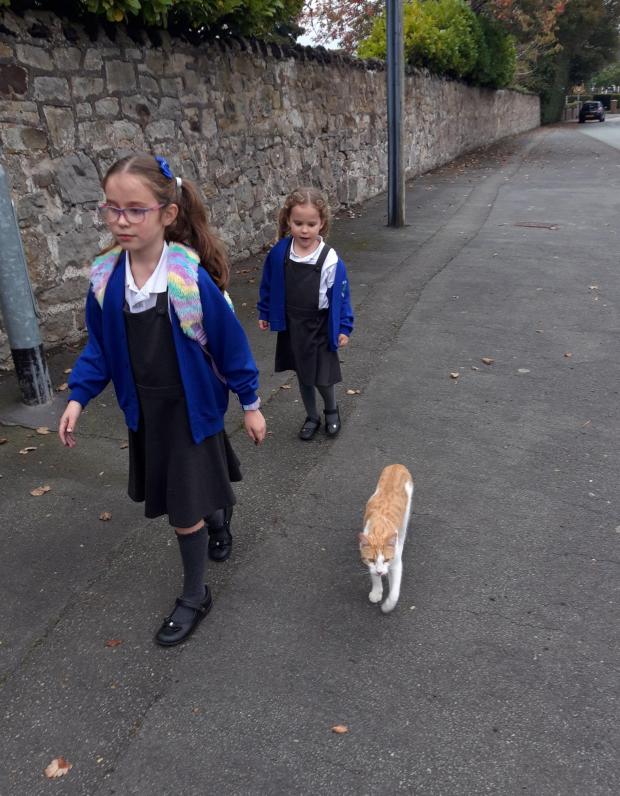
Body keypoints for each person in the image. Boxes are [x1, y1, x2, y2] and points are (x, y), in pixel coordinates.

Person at [58, 154, 266, 647]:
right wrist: (78, 397)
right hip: (146, 412)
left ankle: (195, 595)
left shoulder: (188, 280)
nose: (121, 220)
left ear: (168, 214)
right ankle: (218, 515)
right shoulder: (106, 278)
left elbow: (231, 346)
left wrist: (251, 403)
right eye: (112, 208)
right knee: (190, 489)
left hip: (191, 407)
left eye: (135, 210)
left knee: (182, 509)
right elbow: (100, 348)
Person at [257, 187, 354, 440]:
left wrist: (344, 327)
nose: (304, 230)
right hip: (293, 324)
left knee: (322, 377)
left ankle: (331, 410)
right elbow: (268, 285)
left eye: (311, 224)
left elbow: (342, 297)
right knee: (303, 375)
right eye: (298, 223)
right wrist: (265, 312)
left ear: (322, 224)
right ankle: (312, 416)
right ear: (288, 221)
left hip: (319, 325)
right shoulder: (280, 253)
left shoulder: (330, 259)